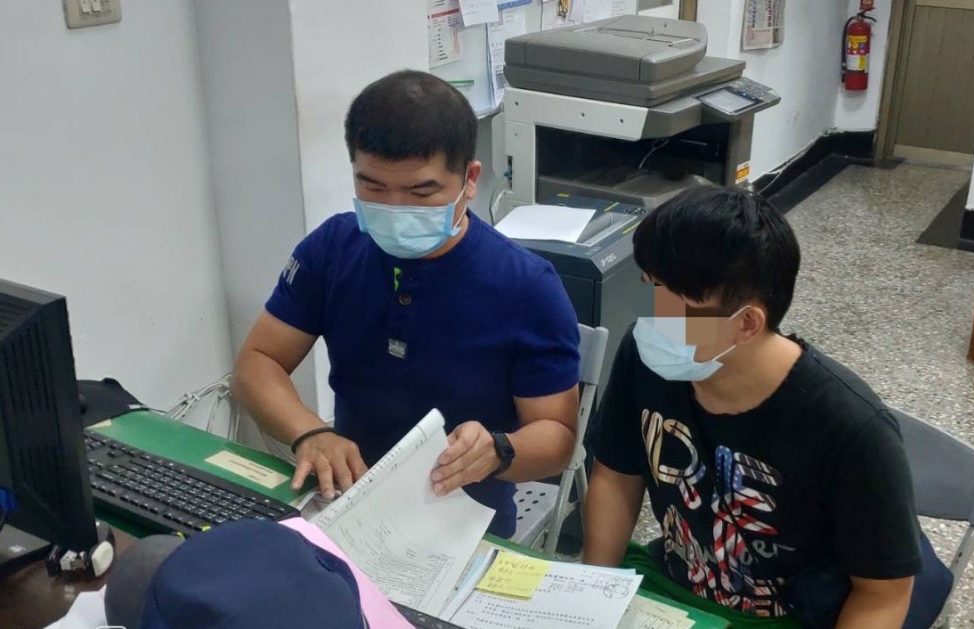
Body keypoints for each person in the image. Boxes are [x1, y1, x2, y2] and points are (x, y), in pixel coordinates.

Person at [232, 70, 580, 537]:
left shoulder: (527, 287)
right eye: (373, 187)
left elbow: (557, 437)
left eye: (421, 192)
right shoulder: (333, 249)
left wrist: (498, 450)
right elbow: (259, 360)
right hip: (347, 503)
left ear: (470, 179)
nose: (395, 208)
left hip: (464, 524)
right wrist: (310, 433)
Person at [584, 186, 921, 628]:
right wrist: (591, 598)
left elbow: (883, 594)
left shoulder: (853, 428)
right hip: (672, 590)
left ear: (746, 323)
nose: (651, 316)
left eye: (672, 302)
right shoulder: (645, 358)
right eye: (649, 287)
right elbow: (616, 476)